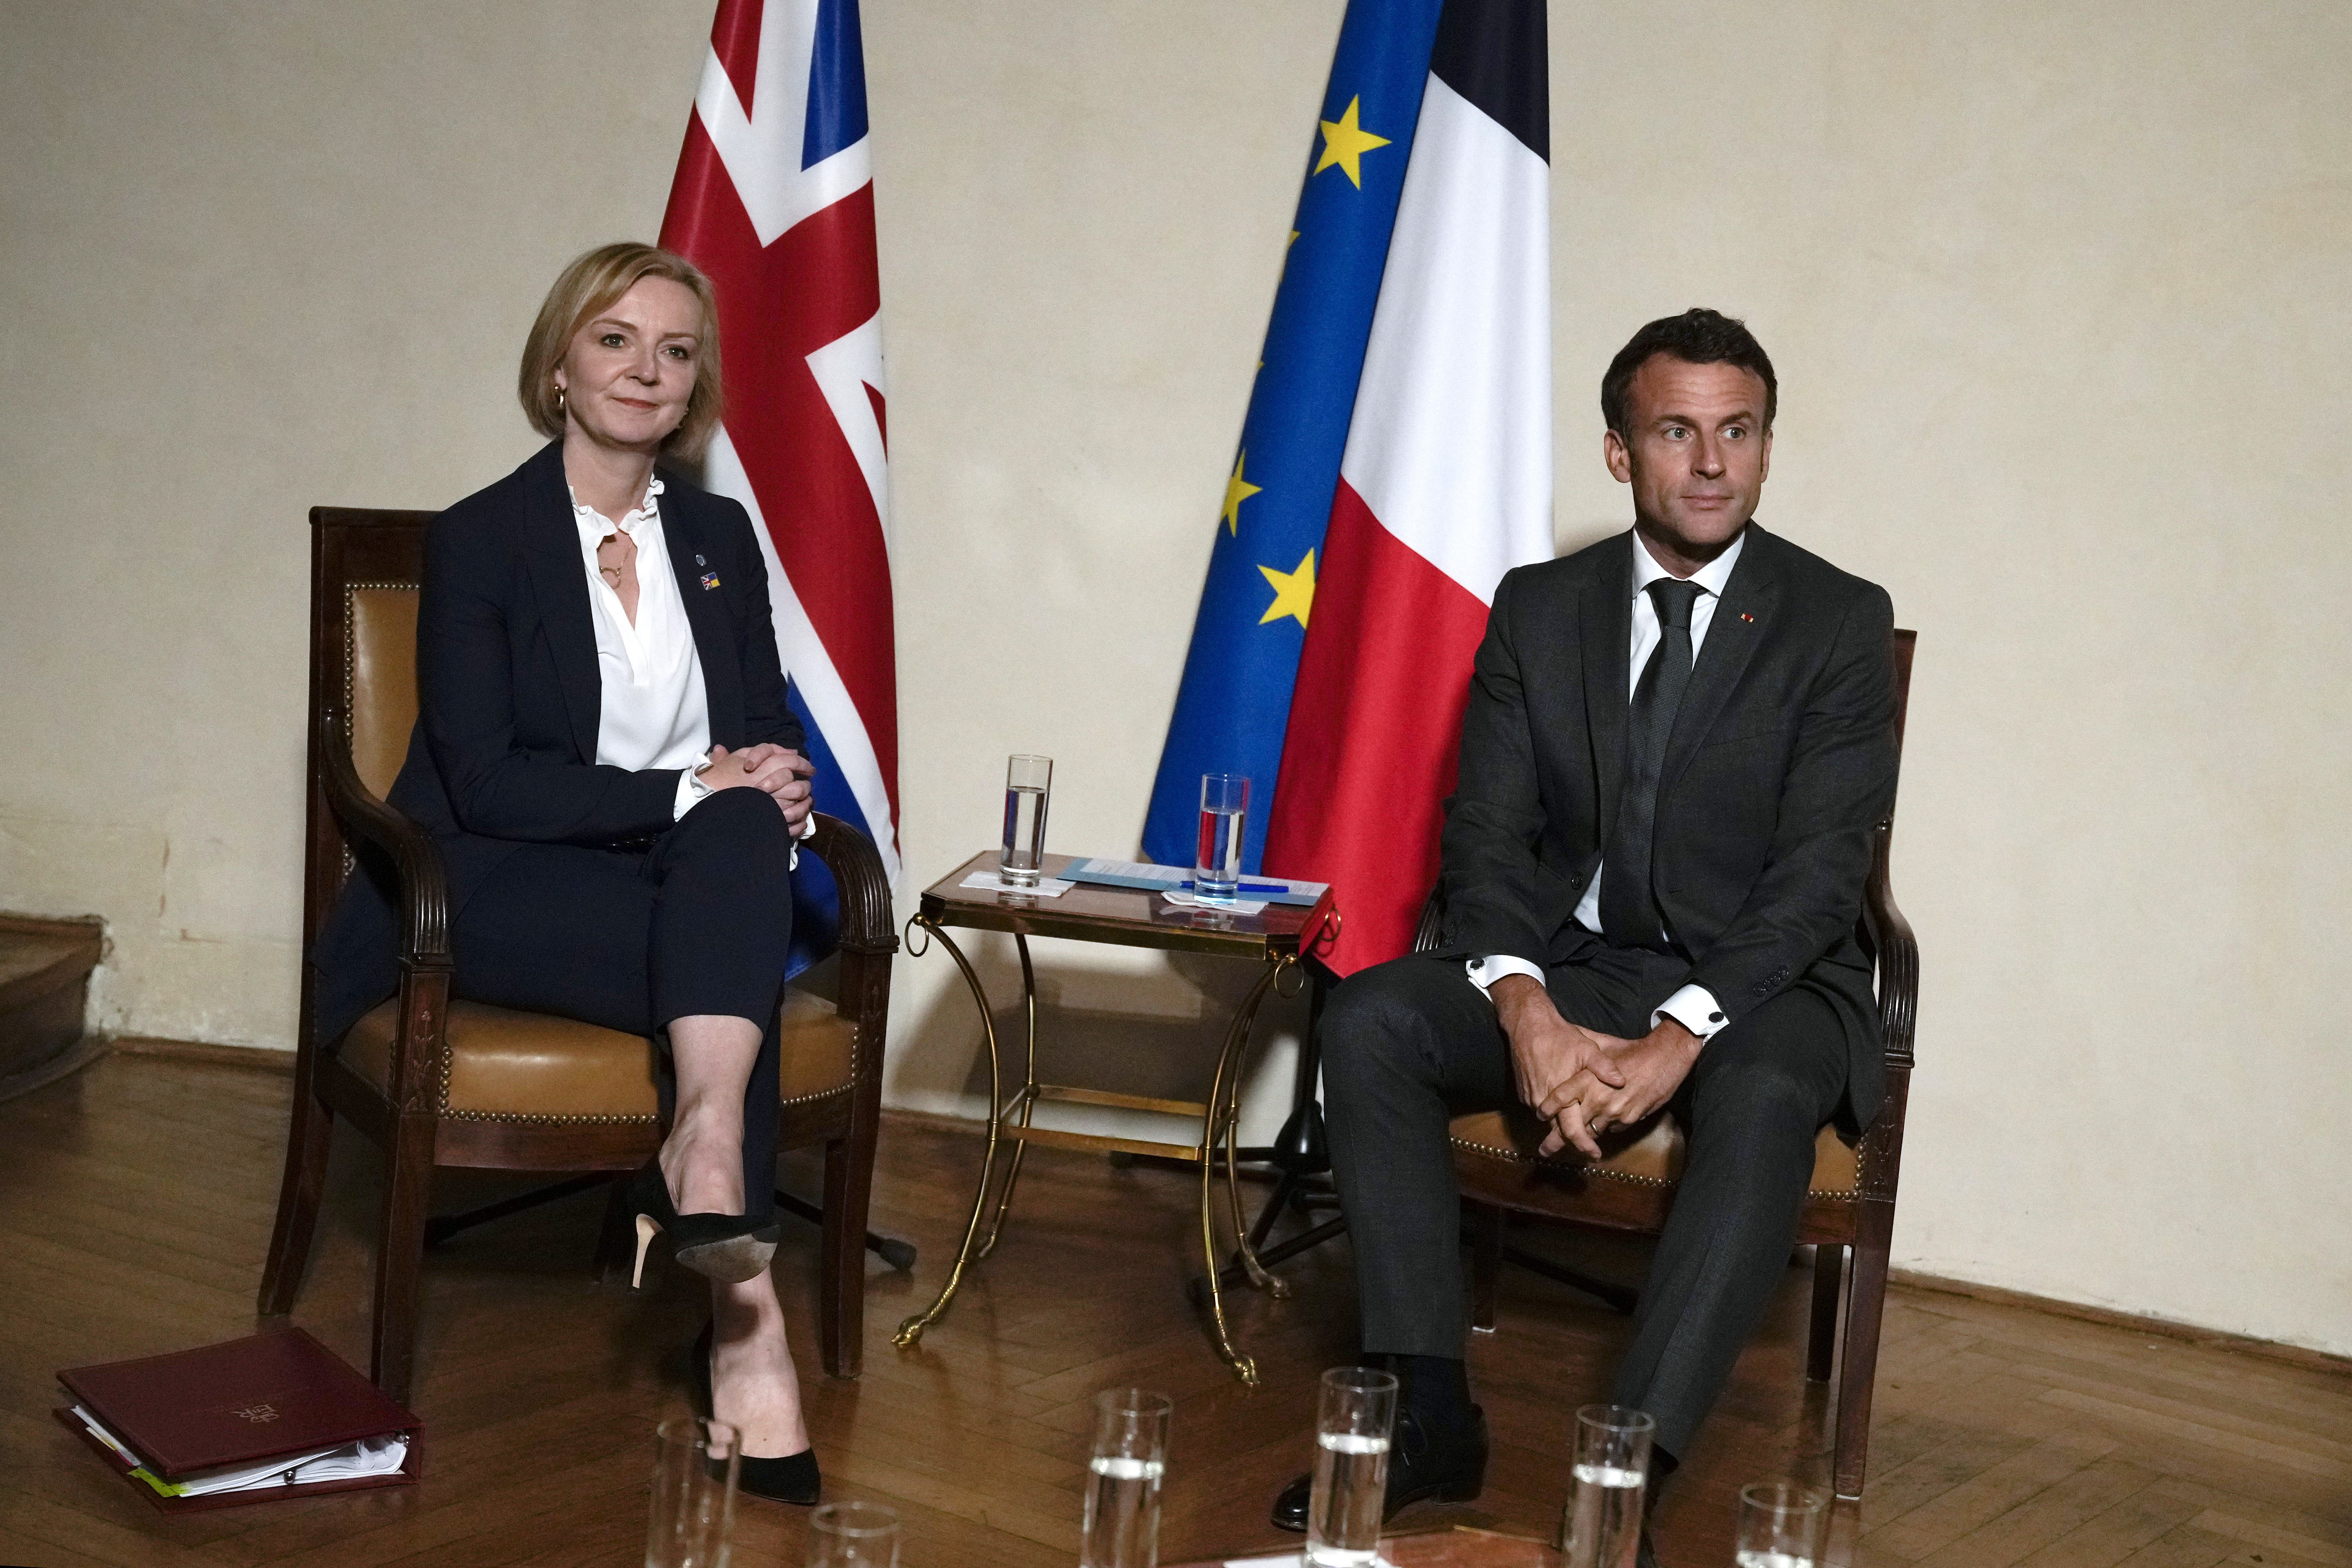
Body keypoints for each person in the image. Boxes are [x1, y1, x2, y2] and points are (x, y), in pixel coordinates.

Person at [1268, 309, 1898, 1555]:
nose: (1713, 462)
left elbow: (1822, 878)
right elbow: (1486, 833)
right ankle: (1430, 1415)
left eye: (1739, 431)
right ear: (1621, 452)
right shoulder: (1542, 605)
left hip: (1769, 984)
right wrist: (1524, 1005)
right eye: (1678, 431)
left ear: (1768, 446)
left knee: (1764, 1091)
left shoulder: (1835, 619)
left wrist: (1680, 1035)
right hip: (1576, 959)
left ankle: (1626, 1473)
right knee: (1374, 1013)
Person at [312, 242, 825, 1504]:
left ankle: (704, 1155)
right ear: (558, 365)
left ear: (695, 385)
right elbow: (482, 780)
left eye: (676, 349)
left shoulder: (718, 536)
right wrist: (693, 792)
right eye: (615, 340)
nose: (646, 370)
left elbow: (756, 725)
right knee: (727, 950)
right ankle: (750, 1334)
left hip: (684, 873)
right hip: (495, 876)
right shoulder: (484, 539)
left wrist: (775, 777)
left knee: (746, 835)